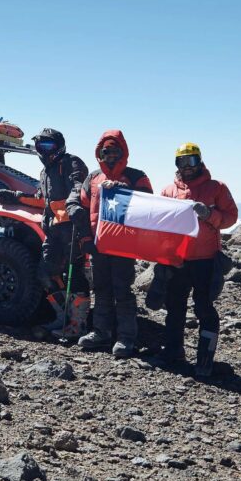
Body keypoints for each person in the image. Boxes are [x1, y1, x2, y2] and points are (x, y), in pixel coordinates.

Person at [0, 128, 93, 338]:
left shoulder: (71, 163)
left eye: (48, 146)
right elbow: (42, 199)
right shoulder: (45, 172)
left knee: (75, 275)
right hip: (53, 230)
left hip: (73, 228)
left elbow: (79, 187)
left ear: (59, 146)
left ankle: (78, 325)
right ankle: (63, 316)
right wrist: (16, 197)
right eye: (41, 146)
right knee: (44, 273)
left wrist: (74, 206)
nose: (44, 150)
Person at [156, 143, 238, 377]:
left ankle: (205, 358)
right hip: (178, 261)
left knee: (204, 308)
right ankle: (173, 352)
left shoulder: (216, 188)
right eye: (182, 162)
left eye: (191, 161)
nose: (187, 167)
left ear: (199, 161)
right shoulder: (168, 191)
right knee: (174, 308)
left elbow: (231, 217)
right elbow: (160, 224)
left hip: (206, 260)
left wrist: (209, 214)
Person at [76, 130, 153, 357]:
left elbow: (148, 205)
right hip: (99, 244)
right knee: (101, 289)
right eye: (105, 151)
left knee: (122, 290)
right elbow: (81, 204)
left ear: (123, 152)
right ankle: (101, 332)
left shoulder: (136, 176)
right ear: (100, 153)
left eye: (114, 151)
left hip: (124, 245)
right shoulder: (93, 177)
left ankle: (126, 338)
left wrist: (121, 191)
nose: (110, 155)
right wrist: (85, 239)